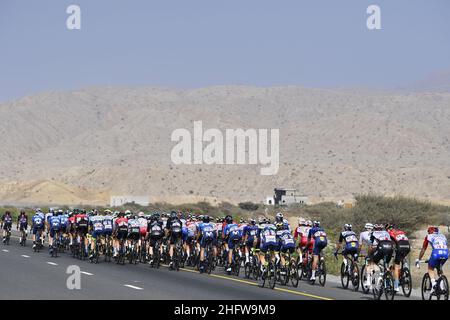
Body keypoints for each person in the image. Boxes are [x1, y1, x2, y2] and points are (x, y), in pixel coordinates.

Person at [417, 226, 448, 294]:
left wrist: (419, 259)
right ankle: (442, 286)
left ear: (429, 232)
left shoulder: (428, 236)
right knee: (439, 268)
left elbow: (423, 249)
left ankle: (433, 285)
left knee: (430, 268)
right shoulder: (443, 236)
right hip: (446, 253)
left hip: (436, 253)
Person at [366, 224, 393, 288]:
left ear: (374, 228)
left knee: (373, 262)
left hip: (381, 248)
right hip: (390, 248)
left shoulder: (373, 233)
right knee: (386, 264)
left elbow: (370, 246)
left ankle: (378, 276)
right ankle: (388, 280)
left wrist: (369, 255)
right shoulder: (386, 232)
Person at [386, 224, 410, 292]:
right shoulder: (401, 232)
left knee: (396, 266)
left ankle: (396, 286)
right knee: (402, 257)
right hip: (407, 246)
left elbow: (390, 244)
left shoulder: (389, 233)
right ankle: (406, 267)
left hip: (400, 247)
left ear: (387, 229)